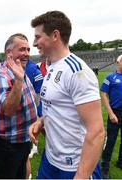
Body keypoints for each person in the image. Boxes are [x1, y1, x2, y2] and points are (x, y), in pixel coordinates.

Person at [29, 11, 105, 179]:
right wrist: (41, 122)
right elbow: (57, 107)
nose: (34, 43)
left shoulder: (77, 71)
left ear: (55, 35)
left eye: (37, 37)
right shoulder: (51, 67)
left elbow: (97, 131)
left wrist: (82, 175)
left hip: (74, 166)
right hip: (50, 159)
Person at [0, 33, 37, 179]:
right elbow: (8, 110)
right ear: (9, 53)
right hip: (7, 146)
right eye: (22, 49)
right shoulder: (2, 76)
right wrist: (19, 80)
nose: (27, 54)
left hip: (22, 141)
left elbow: (31, 102)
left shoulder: (20, 72)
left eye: (28, 49)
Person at [100, 54, 122, 179]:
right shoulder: (111, 77)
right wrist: (110, 113)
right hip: (115, 113)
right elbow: (103, 94)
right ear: (118, 62)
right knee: (111, 141)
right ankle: (105, 167)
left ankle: (120, 162)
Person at [25, 59, 43, 179]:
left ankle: (35, 147)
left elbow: (39, 90)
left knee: (37, 126)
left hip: (36, 104)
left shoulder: (33, 69)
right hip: (28, 104)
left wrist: (35, 106)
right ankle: (34, 147)